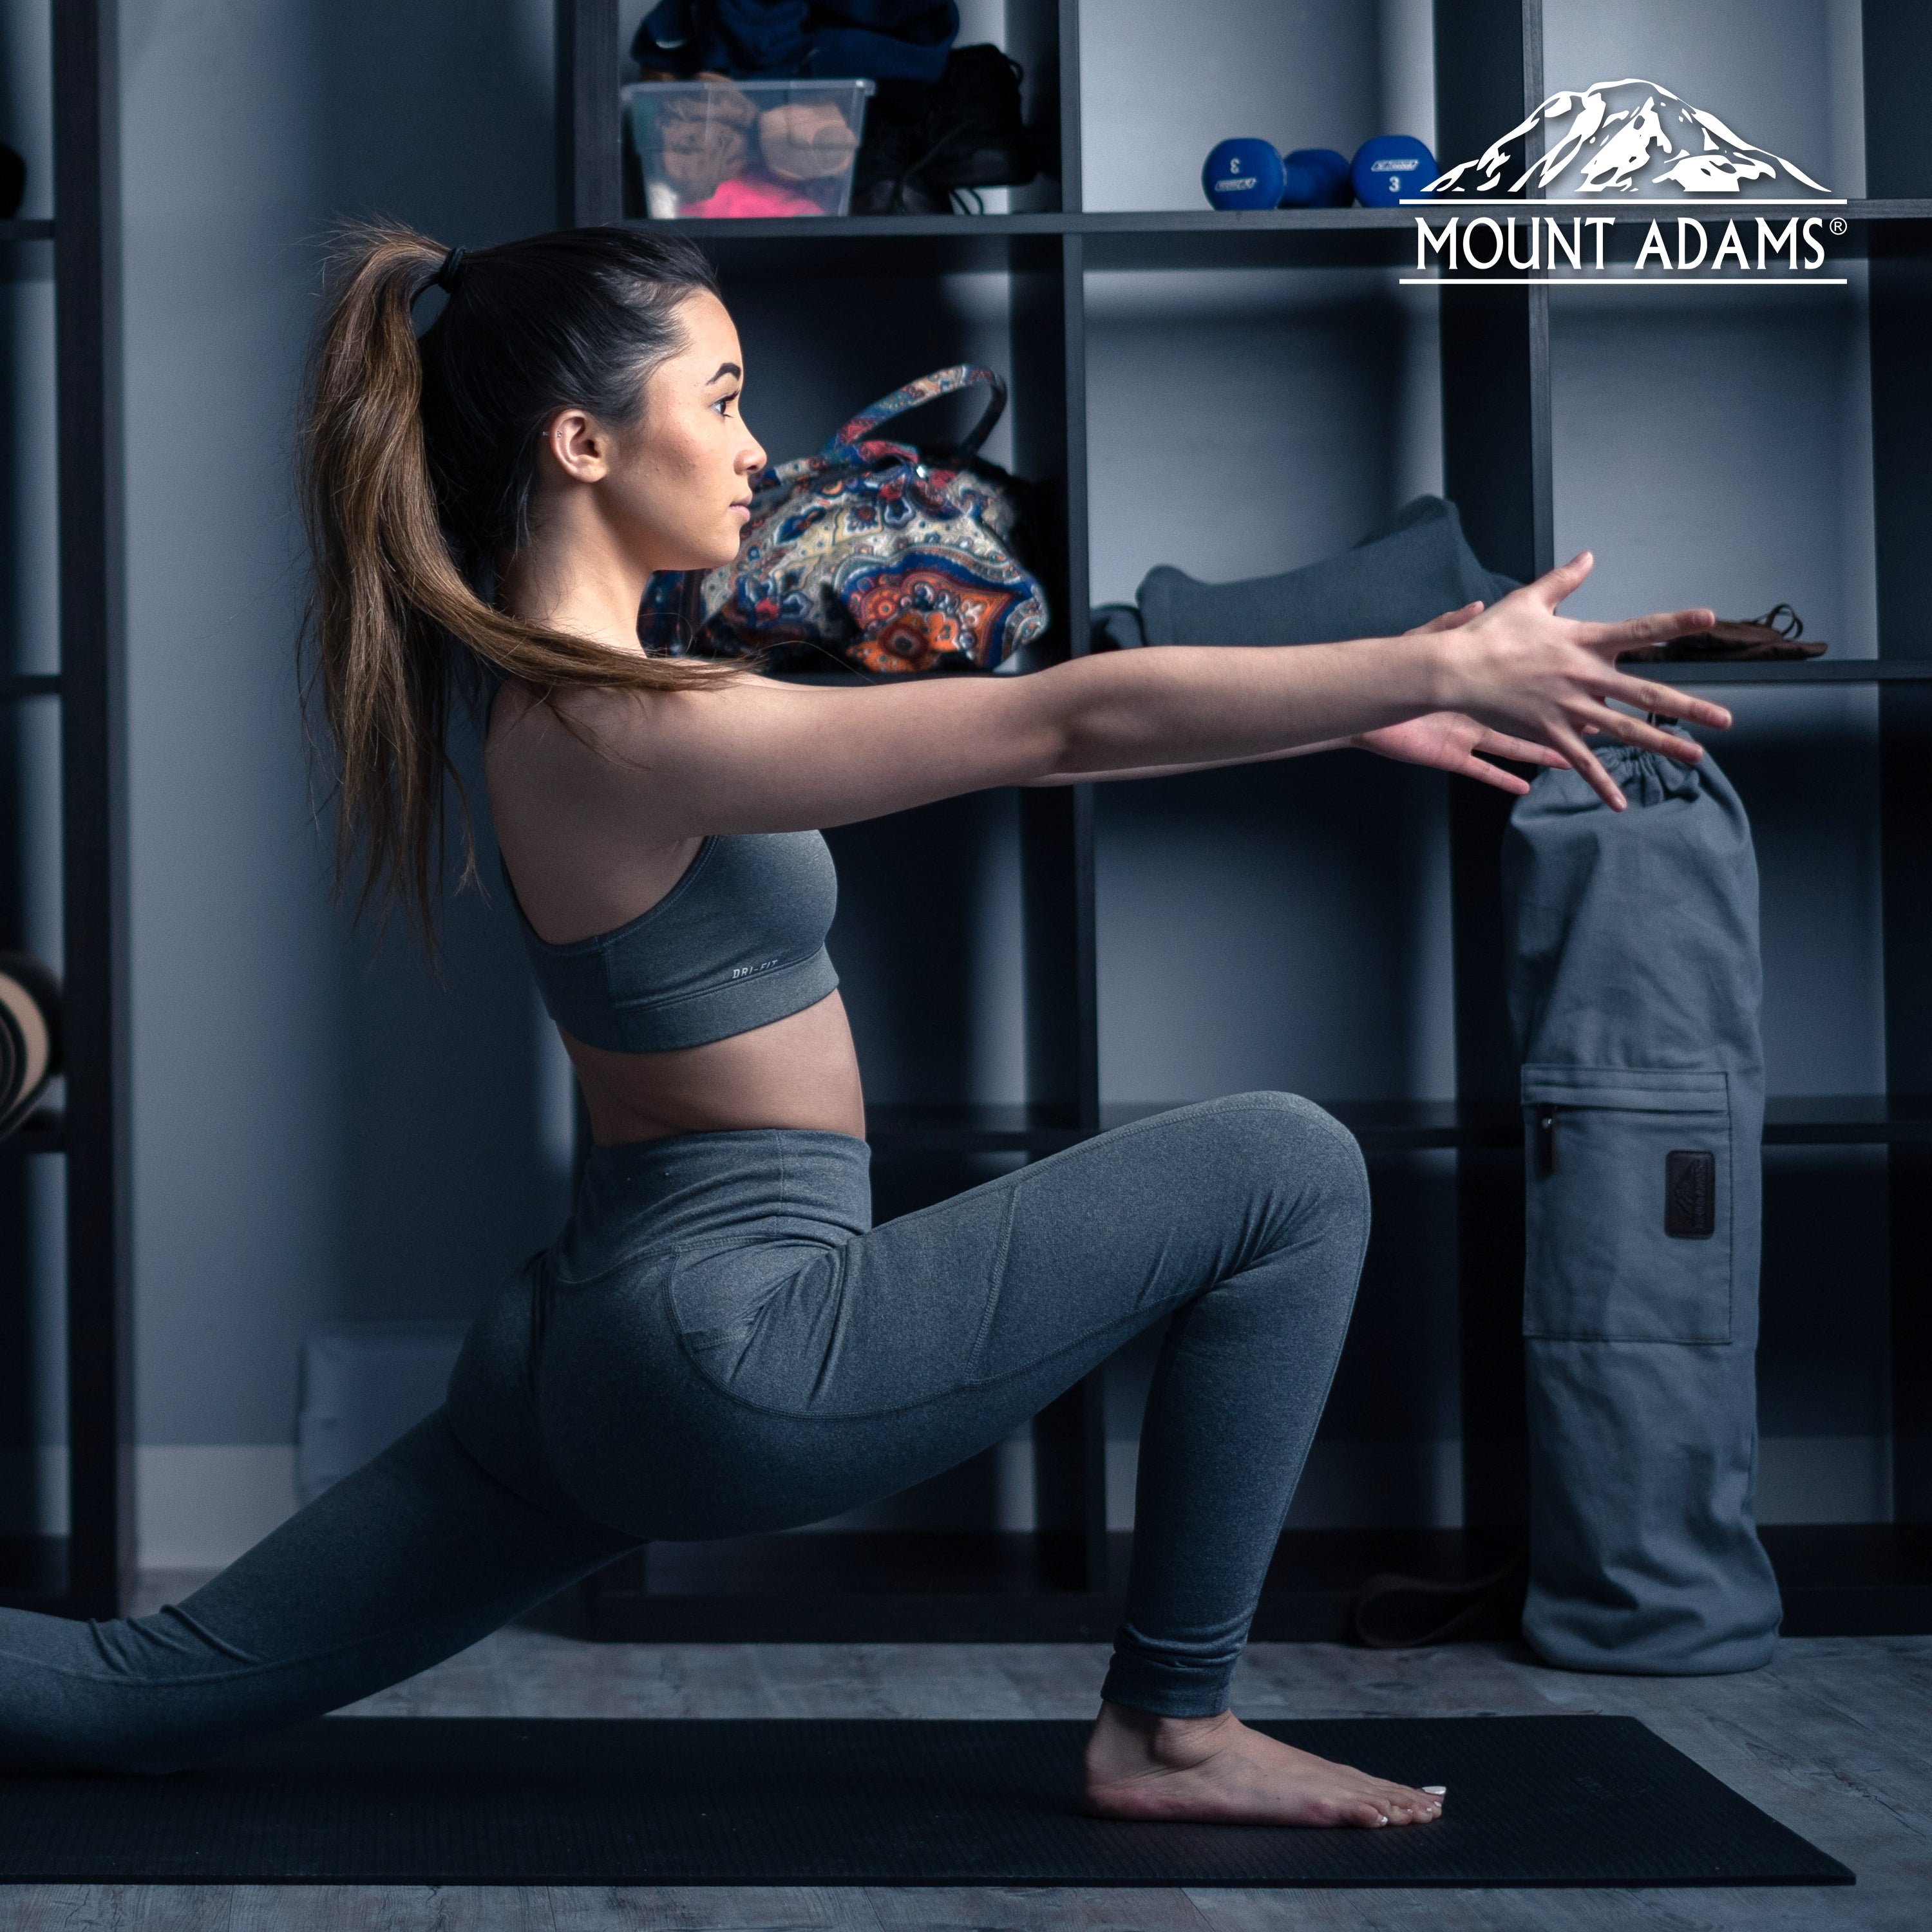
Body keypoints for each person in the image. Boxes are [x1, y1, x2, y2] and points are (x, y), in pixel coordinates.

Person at [0, 224, 1727, 1824]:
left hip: (581, 1353)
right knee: (1286, 1167)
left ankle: (1175, 1730)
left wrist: (1338, 720)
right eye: (725, 397)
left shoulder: (609, 698)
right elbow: (1051, 729)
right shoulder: (614, 729)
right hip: (725, 1349)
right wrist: (1427, 669)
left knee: (141, 1693)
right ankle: (1174, 1728)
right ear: (583, 444)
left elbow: (1062, 713)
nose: (760, 447)